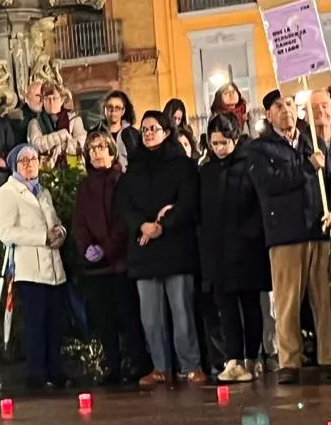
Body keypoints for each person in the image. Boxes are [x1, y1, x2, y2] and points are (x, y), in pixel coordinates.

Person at [248, 89, 331, 383]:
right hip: (285, 235)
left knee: (325, 300)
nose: (285, 109)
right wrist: (306, 167)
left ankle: (329, 358)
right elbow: (269, 184)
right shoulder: (260, 149)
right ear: (268, 114)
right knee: (288, 302)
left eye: (289, 103)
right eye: (278, 106)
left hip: (319, 230)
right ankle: (290, 361)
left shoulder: (312, 143)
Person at [119, 110, 204, 387]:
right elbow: (123, 205)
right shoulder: (134, 168)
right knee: (151, 316)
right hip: (144, 252)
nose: (148, 133)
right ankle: (160, 367)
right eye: (144, 129)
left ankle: (190, 365)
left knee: (182, 312)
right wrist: (142, 225)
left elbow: (187, 203)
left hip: (175, 248)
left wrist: (163, 225)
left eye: (153, 128)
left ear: (167, 132)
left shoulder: (182, 165)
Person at [73, 130, 149, 385]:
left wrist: (106, 249)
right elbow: (79, 222)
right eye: (91, 149)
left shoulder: (120, 181)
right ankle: (112, 366)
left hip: (120, 263)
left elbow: (123, 221)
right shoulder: (84, 186)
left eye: (100, 147)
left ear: (111, 151)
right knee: (105, 320)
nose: (96, 153)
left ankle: (138, 364)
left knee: (129, 317)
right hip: (96, 269)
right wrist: (86, 248)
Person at [198, 115, 268, 383]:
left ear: (235, 139)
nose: (219, 148)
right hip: (218, 250)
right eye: (214, 143)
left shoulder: (249, 165)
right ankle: (233, 359)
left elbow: (258, 204)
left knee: (250, 305)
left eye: (223, 142)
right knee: (226, 307)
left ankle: (253, 355)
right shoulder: (207, 172)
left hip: (246, 249)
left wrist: (250, 233)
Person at [0, 144, 69, 388]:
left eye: (34, 159)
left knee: (55, 322)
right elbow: (6, 232)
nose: (30, 164)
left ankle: (55, 371)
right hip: (30, 269)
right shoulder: (6, 193)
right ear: (15, 166)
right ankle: (37, 374)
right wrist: (42, 237)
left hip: (53, 268)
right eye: (24, 160)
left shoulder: (43, 192)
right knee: (36, 323)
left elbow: (55, 221)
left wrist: (60, 232)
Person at [27, 85, 86, 167]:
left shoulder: (74, 118)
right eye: (47, 99)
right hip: (46, 168)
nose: (51, 102)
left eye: (54, 98)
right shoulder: (35, 123)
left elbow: (81, 142)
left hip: (73, 166)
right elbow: (36, 145)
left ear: (62, 100)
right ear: (43, 101)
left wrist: (61, 148)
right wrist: (61, 136)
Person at [102, 89, 141, 166]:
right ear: (104, 109)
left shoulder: (133, 134)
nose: (113, 111)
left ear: (123, 111)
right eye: (109, 107)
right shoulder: (96, 132)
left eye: (117, 108)